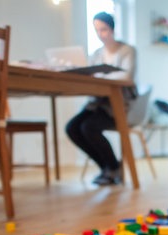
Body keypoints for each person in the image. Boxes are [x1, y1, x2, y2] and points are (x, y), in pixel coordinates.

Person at [65, 11, 137, 185]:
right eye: (97, 30)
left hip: (117, 105)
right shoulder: (96, 54)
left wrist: (101, 78)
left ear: (112, 29)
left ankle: (112, 168)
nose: (101, 34)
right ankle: (108, 168)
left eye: (104, 29)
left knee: (89, 127)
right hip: (96, 103)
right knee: (72, 128)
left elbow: (127, 77)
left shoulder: (127, 50)